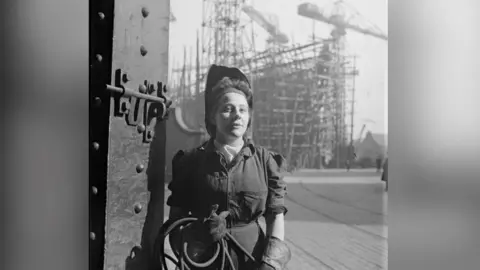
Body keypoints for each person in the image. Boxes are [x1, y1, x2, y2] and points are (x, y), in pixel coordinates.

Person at [165, 64, 291, 270]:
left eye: (242, 110)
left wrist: (271, 264)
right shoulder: (191, 161)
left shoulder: (265, 161)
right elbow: (175, 221)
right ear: (213, 116)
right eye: (227, 109)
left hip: (253, 262)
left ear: (249, 117)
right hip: (205, 261)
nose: (237, 116)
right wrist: (197, 237)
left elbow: (275, 216)